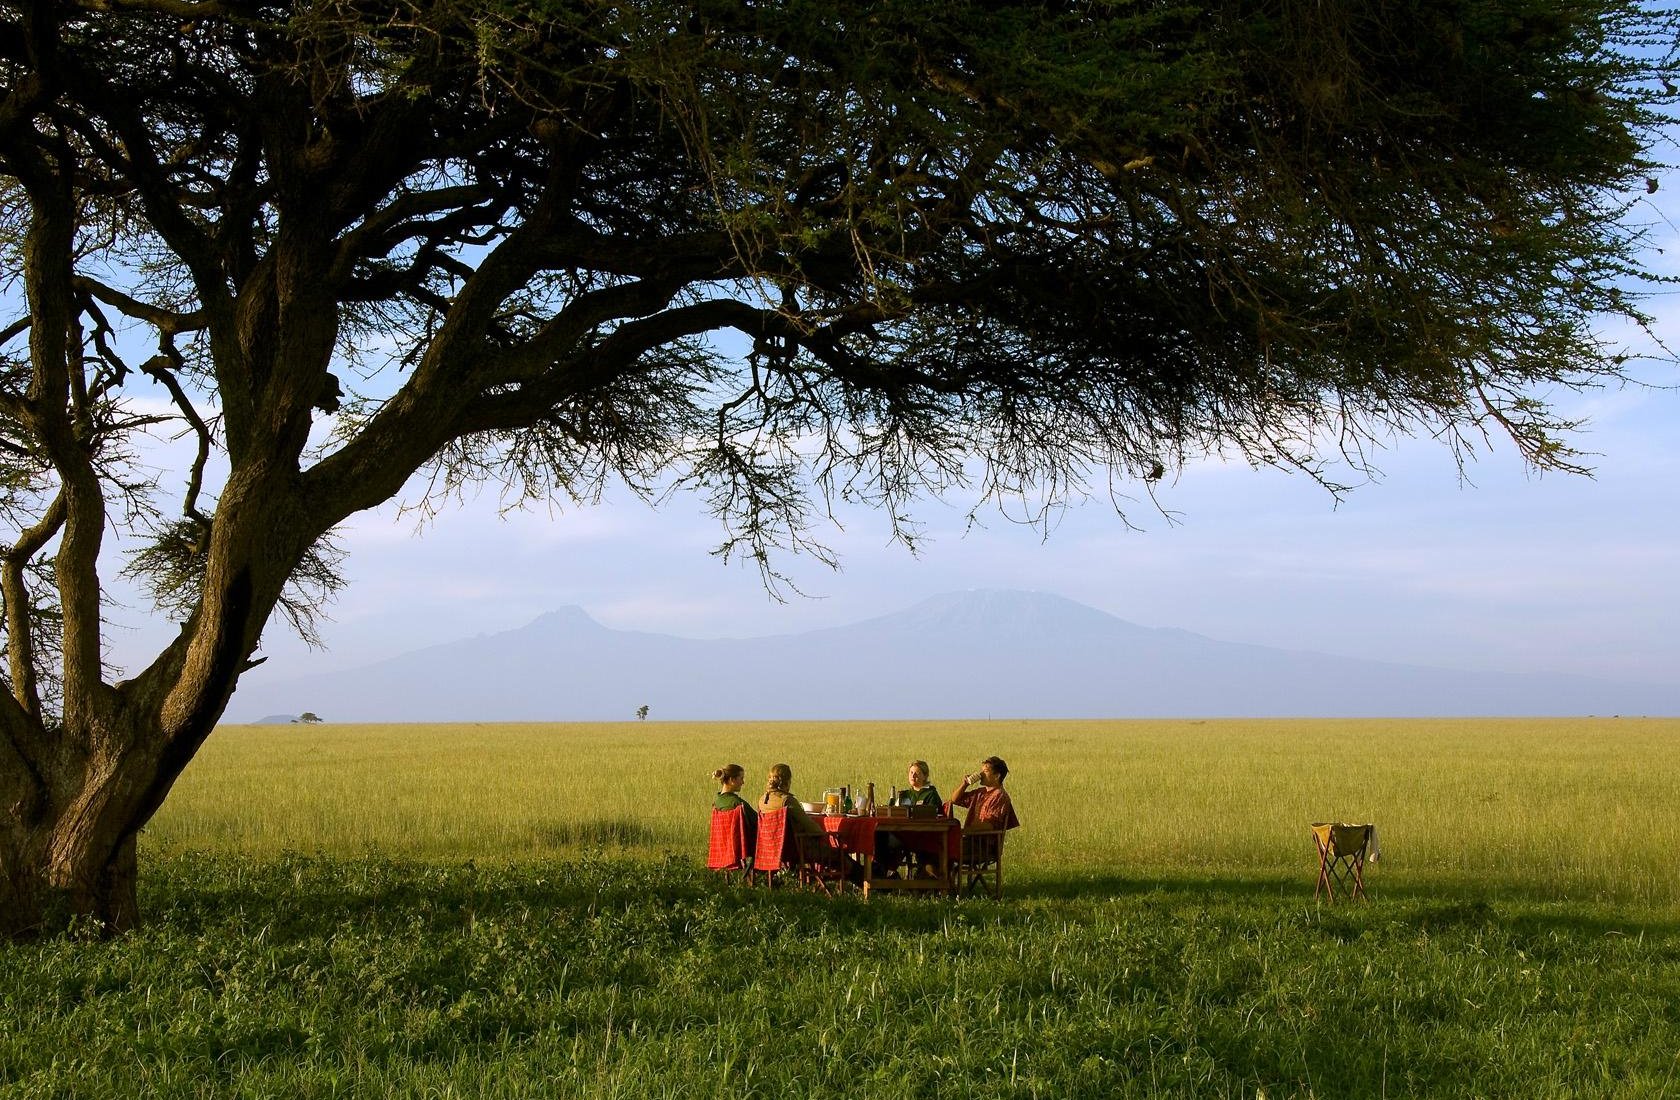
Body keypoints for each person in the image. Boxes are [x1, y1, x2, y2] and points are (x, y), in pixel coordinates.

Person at [951, 756, 1021, 833]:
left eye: (986, 771)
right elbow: (954, 800)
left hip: (983, 842)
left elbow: (989, 825)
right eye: (982, 771)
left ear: (997, 776)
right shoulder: (980, 793)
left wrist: (963, 831)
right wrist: (965, 784)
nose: (981, 774)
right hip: (972, 838)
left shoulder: (999, 795)